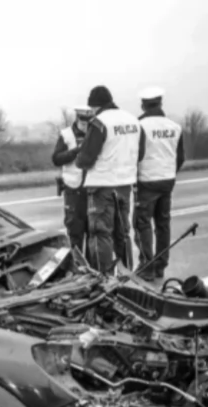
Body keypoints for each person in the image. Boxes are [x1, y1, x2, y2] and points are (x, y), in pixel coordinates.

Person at [74, 85, 145, 274]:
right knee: (122, 234)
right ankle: (127, 276)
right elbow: (141, 153)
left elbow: (85, 159)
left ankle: (102, 279)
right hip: (124, 186)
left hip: (101, 186)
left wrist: (79, 158)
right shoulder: (133, 121)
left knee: (100, 233)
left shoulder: (99, 123)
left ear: (96, 107)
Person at [133, 87, 185, 281]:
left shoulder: (140, 126)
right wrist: (170, 172)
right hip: (167, 181)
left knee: (142, 224)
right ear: (160, 103)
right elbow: (181, 157)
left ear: (143, 105)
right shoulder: (175, 126)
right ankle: (161, 266)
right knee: (163, 224)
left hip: (146, 181)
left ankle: (147, 266)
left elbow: (136, 155)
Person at [50, 106, 95, 254]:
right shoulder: (66, 135)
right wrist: (76, 151)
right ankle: (77, 269)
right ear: (77, 118)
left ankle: (94, 271)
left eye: (88, 122)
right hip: (73, 191)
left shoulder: (96, 133)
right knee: (75, 232)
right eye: (83, 121)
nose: (85, 125)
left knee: (93, 233)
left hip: (93, 190)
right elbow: (56, 159)